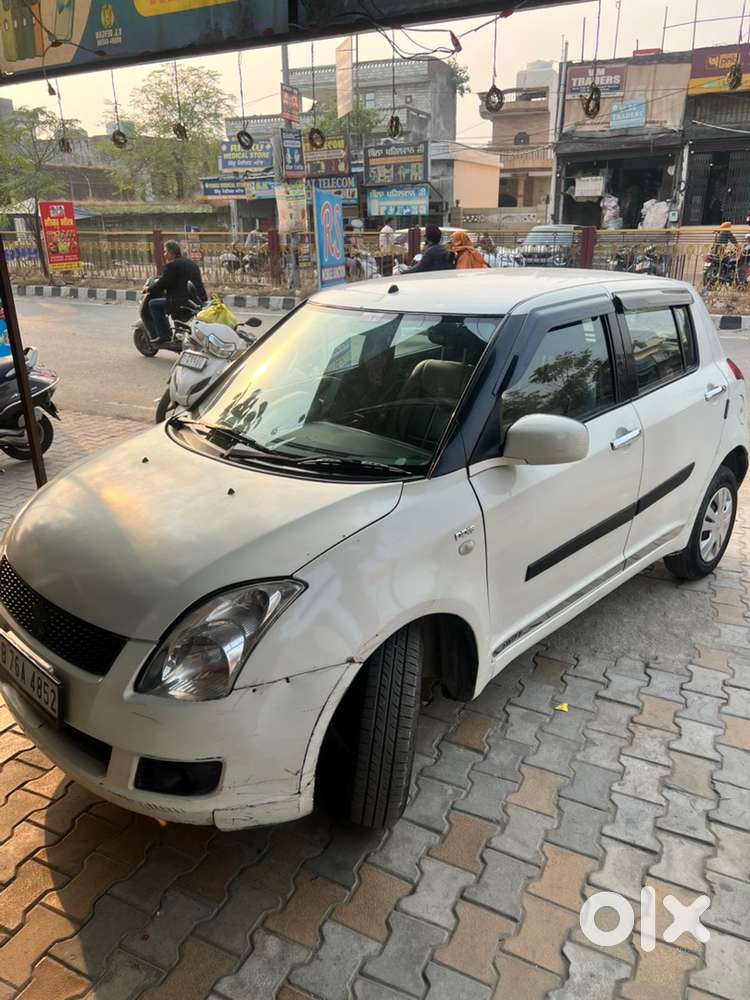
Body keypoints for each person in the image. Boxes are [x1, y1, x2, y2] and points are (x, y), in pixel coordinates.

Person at [148, 241, 208, 344]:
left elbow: (163, 282)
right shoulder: (191, 263)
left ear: (171, 252)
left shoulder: (172, 265)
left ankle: (164, 335)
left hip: (181, 301)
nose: (164, 254)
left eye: (165, 251)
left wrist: (149, 289)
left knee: (153, 304)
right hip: (198, 299)